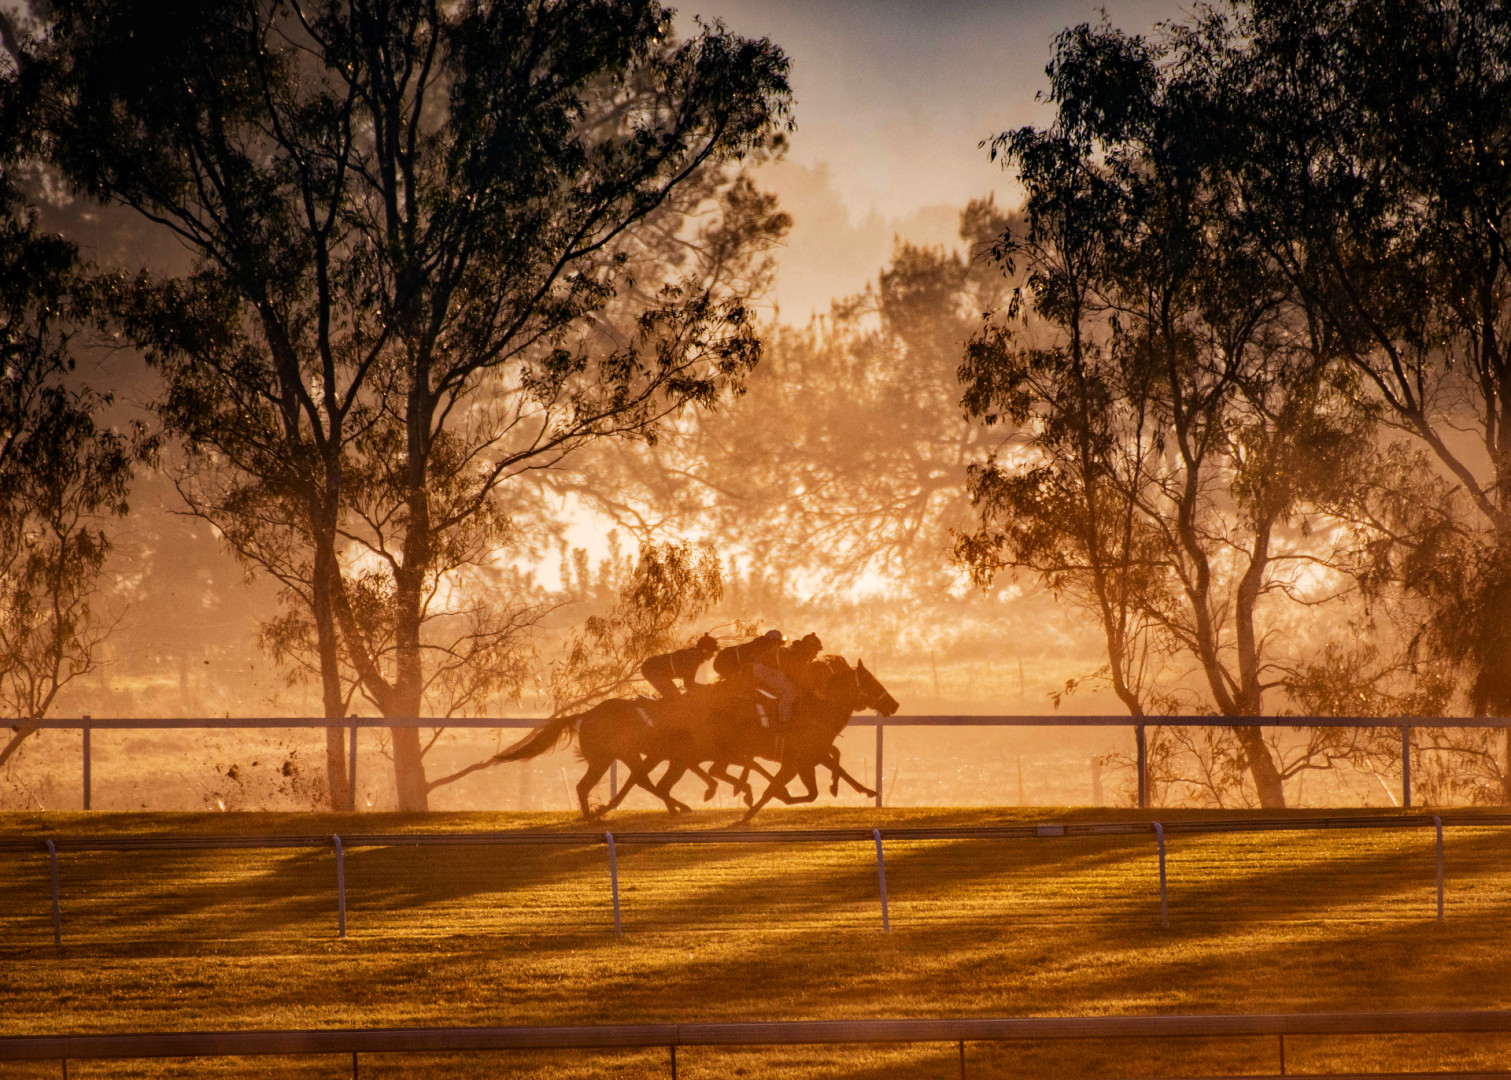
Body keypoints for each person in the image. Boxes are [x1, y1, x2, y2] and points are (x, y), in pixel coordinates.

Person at [640, 634, 719, 700]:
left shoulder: (694, 655)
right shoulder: (694, 658)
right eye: (712, 652)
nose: (712, 655)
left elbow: (689, 685)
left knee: (675, 697)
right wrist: (708, 688)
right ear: (705, 650)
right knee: (675, 699)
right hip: (651, 668)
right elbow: (688, 685)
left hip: (654, 667)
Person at [748, 630, 797, 729]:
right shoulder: (768, 651)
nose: (778, 646)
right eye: (777, 643)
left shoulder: (765, 651)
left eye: (779, 644)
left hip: (766, 670)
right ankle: (783, 721)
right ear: (771, 642)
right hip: (763, 670)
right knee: (789, 692)